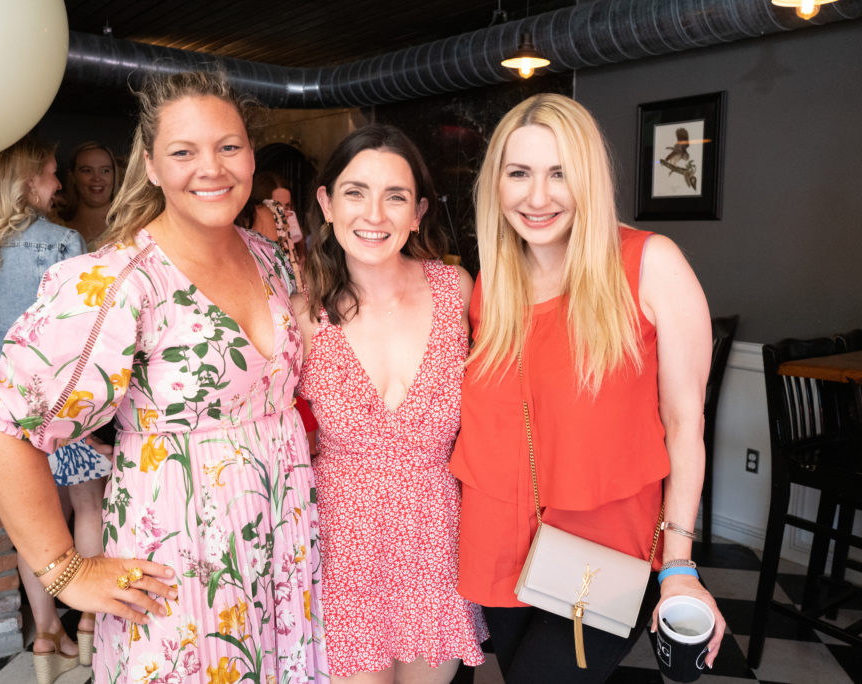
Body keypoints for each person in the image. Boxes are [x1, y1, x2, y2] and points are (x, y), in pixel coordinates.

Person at [0, 71, 327, 683]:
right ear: (153, 168)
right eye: (184, 151)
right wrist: (66, 571)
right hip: (181, 563)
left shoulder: (269, 257)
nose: (210, 168)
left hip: (283, 545)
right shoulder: (117, 280)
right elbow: (4, 423)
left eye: (228, 147)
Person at [450, 93, 726, 683]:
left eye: (560, 174)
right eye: (519, 173)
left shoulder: (651, 265)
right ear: (495, 183)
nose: (538, 196)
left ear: (590, 182)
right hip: (497, 541)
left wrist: (678, 565)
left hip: (603, 553)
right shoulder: (489, 287)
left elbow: (686, 424)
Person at [295, 124, 487, 683]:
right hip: (342, 545)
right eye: (355, 192)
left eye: (395, 196)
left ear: (418, 212)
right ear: (327, 204)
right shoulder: (301, 310)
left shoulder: (457, 290)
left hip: (436, 538)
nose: (374, 214)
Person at [0, 136, 110, 684]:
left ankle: (47, 633)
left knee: (32, 526)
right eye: (50, 172)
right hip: (64, 404)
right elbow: (84, 328)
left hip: (6, 410)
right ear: (26, 181)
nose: (58, 182)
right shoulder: (65, 241)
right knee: (88, 508)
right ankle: (92, 624)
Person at [58, 141, 120, 244]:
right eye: (87, 170)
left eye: (105, 170)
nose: (97, 178)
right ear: (73, 176)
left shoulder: (132, 225)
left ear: (114, 175)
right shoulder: (54, 222)